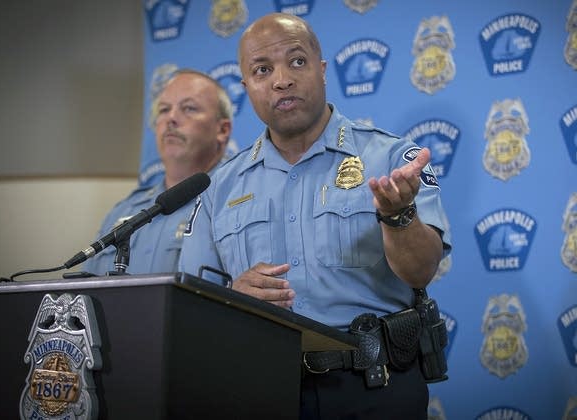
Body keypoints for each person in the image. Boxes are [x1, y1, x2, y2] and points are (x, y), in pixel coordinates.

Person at [179, 13, 452, 420]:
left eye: (297, 62)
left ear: (323, 71)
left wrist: (398, 216)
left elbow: (420, 271)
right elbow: (191, 307)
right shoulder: (220, 186)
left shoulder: (390, 159)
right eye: (262, 70)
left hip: (373, 389)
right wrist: (232, 298)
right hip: (258, 389)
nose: (281, 80)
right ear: (247, 88)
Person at [83, 68, 233, 275]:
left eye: (188, 108)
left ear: (222, 130)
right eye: (163, 110)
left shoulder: (236, 201)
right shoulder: (125, 211)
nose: (171, 118)